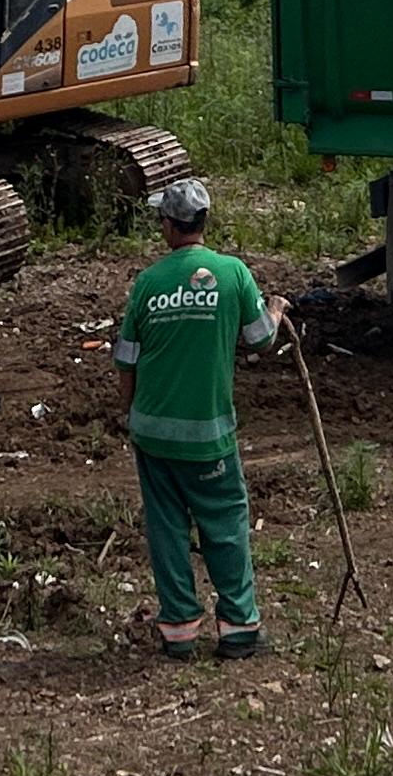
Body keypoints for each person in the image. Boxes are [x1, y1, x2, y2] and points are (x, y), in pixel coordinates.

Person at [112, 177, 289, 660]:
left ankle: (179, 633)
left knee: (167, 528)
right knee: (226, 523)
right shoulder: (232, 275)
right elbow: (260, 340)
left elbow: (126, 361)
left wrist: (131, 416)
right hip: (209, 436)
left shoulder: (148, 283)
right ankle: (237, 629)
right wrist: (273, 310)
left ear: (169, 227)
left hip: (153, 433)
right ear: (203, 222)